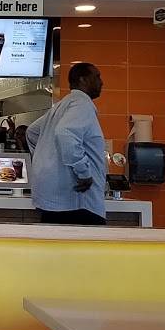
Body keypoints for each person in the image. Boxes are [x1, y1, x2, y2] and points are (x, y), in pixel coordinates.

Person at [26, 62, 106, 225]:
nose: (101, 82)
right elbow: (66, 133)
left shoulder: (61, 105)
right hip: (77, 202)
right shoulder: (82, 103)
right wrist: (83, 172)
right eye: (97, 77)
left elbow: (32, 132)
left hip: (53, 200)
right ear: (83, 80)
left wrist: (48, 160)